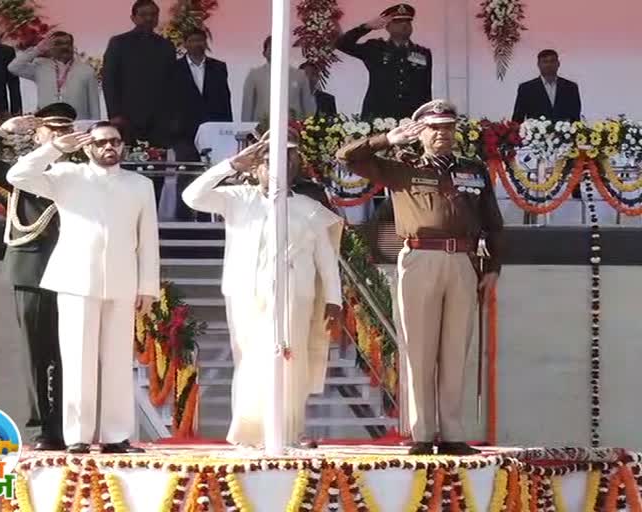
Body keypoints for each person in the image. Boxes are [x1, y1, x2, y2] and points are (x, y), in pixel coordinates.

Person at [336, 99, 504, 456]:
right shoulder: (402, 168)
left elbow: (493, 222)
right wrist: (386, 140)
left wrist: (492, 268)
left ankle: (454, 432)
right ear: (421, 132)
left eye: (448, 127)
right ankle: (423, 433)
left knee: (456, 348)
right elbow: (347, 157)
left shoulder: (473, 170)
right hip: (420, 256)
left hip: (463, 260)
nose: (442, 133)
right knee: (419, 350)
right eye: (435, 127)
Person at [182, 129, 343, 448]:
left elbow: (326, 259)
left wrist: (334, 301)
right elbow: (192, 197)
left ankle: (288, 431)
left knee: (290, 360)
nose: (277, 167)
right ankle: (249, 433)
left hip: (295, 293)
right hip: (247, 292)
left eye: (286, 159)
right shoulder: (237, 198)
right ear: (255, 167)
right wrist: (230, 166)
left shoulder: (310, 209)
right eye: (268, 161)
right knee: (252, 361)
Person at [7, 121, 160, 454]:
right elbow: (17, 176)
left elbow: (148, 239)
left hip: (122, 281)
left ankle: (115, 436)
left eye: (116, 142)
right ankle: (76, 435)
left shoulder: (140, 184)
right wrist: (55, 148)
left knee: (118, 362)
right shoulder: (67, 176)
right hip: (76, 279)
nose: (110, 147)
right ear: (88, 146)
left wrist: (148, 286)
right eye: (102, 142)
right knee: (77, 360)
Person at [0, 103, 77, 451]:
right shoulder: (21, 171)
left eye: (64, 130)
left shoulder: (85, 173)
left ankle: (74, 426)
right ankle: (43, 428)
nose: (58, 136)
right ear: (38, 134)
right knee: (37, 354)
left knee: (73, 354)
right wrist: (2, 130)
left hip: (77, 270)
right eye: (51, 130)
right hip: (34, 269)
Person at [173, 28, 233, 220]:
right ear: (185, 44)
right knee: (186, 173)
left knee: (212, 174)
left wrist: (227, 129)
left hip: (214, 131)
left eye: (200, 40)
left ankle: (210, 218)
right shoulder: (174, 68)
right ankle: (182, 219)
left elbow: (225, 99)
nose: (197, 44)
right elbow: (168, 100)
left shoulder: (219, 67)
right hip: (184, 132)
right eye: (192, 40)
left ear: (206, 43)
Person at [336, 3, 431, 121]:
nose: (404, 25)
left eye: (408, 21)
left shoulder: (422, 53)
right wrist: (365, 27)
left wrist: (427, 117)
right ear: (388, 27)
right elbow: (342, 44)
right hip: (379, 116)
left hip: (411, 117)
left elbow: (426, 89)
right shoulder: (375, 48)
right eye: (398, 22)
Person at [102, 0, 177, 147]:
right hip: (126, 117)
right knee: (127, 162)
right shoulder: (119, 43)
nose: (149, 18)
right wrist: (115, 114)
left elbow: (172, 83)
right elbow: (109, 80)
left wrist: (173, 117)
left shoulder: (166, 46)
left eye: (153, 14)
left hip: (160, 119)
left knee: (158, 163)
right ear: (133, 18)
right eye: (143, 15)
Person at [8, 31, 101, 120]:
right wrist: (37, 50)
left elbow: (94, 107)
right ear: (49, 47)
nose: (65, 47)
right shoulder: (40, 67)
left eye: (68, 43)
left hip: (78, 126)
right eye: (58, 43)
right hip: (47, 125)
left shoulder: (86, 70)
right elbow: (14, 67)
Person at [241, 36, 315, 123]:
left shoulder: (300, 75)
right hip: (262, 128)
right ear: (264, 53)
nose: (275, 50)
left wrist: (309, 130)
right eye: (271, 48)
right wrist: (246, 128)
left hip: (293, 128)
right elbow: (247, 106)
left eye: (279, 47)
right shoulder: (254, 75)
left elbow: (308, 106)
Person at [512, 49, 581, 123]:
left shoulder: (571, 87)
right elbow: (518, 118)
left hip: (564, 133)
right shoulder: (526, 88)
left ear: (558, 64)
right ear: (538, 64)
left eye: (552, 61)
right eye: (545, 62)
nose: (549, 65)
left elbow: (575, 117)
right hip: (535, 133)